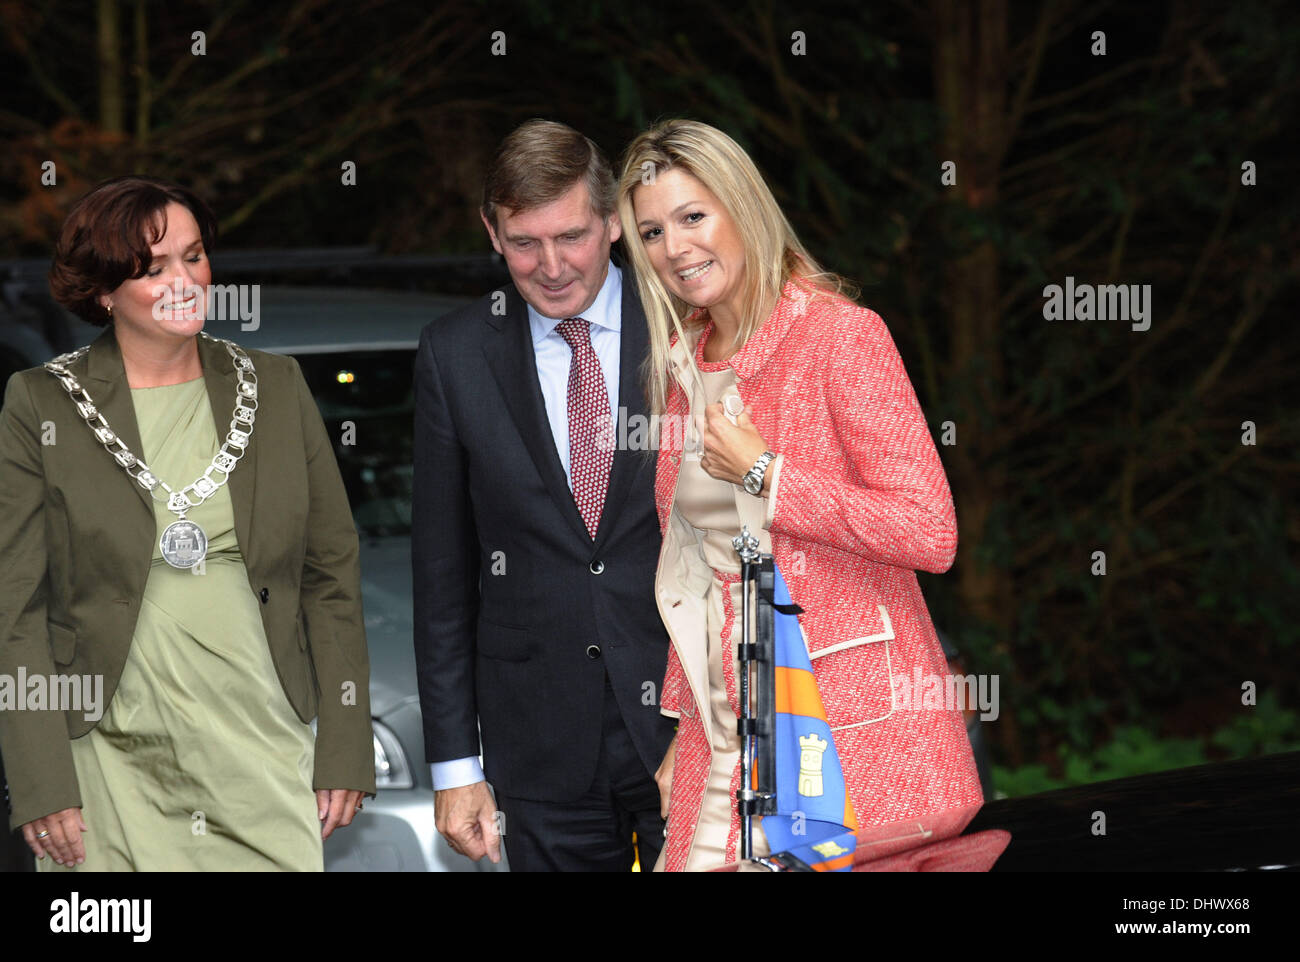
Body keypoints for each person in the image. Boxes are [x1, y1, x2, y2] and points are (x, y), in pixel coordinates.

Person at [616, 119, 984, 871]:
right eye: (651, 232)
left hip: (836, 739)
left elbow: (930, 530)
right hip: (723, 744)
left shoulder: (840, 338)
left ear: (742, 206)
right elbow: (695, 571)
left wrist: (767, 475)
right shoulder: (680, 366)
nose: (674, 249)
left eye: (693, 217)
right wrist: (685, 729)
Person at [0, 175, 375, 871]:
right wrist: (40, 778)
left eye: (194, 257)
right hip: (106, 754)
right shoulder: (40, 403)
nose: (186, 281)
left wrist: (345, 745)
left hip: (258, 744)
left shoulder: (277, 385)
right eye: (152, 267)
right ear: (104, 289)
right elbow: (14, 607)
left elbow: (330, 577)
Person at [413, 119, 676, 871]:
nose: (552, 266)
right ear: (491, 233)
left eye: (573, 237)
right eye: (525, 242)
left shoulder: (686, 328)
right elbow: (441, 581)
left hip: (687, 726)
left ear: (614, 222)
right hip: (536, 747)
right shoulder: (454, 353)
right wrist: (457, 769)